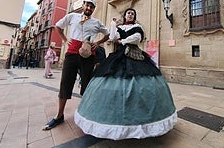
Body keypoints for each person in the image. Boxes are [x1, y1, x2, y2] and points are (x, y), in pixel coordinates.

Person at [74, 8, 177, 140]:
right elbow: (112, 37)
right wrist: (112, 25)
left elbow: (136, 39)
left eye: (132, 13)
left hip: (134, 54)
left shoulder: (137, 27)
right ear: (125, 15)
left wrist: (122, 41)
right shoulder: (120, 27)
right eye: (128, 13)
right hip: (119, 55)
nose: (130, 15)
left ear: (134, 16)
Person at [42, 0, 110, 130]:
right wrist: (64, 40)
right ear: (83, 5)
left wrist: (98, 43)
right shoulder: (72, 16)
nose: (89, 8)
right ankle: (59, 115)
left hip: (88, 56)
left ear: (94, 9)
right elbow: (58, 26)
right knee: (65, 83)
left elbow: (108, 34)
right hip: (72, 53)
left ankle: (86, 114)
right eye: (87, 5)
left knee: (87, 85)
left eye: (92, 6)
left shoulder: (96, 22)